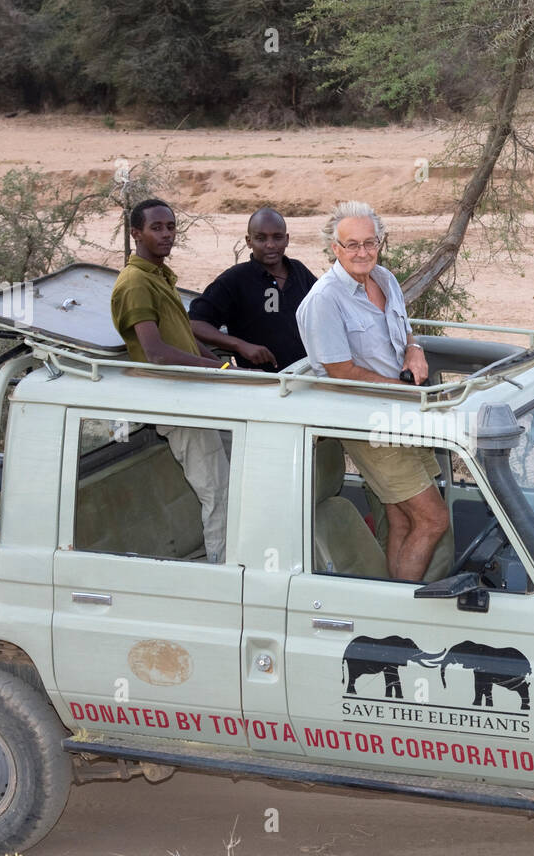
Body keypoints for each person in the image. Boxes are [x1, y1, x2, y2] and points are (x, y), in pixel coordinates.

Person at [296, 200, 450, 582]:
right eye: (352, 245)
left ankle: (392, 603)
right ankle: (404, 607)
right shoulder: (323, 301)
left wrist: (414, 349)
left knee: (400, 518)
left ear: (380, 243)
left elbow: (404, 329)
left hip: (403, 413)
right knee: (434, 520)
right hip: (371, 427)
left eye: (370, 242)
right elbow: (340, 371)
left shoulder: (386, 279)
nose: (362, 252)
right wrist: (403, 392)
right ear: (335, 248)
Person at [110, 197, 229, 563]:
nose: (166, 235)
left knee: (234, 486)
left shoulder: (158, 275)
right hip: (179, 405)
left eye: (171, 227)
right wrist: (215, 372)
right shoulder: (135, 284)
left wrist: (229, 373)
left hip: (197, 396)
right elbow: (157, 353)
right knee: (219, 495)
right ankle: (225, 577)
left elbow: (186, 339)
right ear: (136, 233)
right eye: (156, 228)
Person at [188, 207, 317, 371]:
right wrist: (240, 345)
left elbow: (324, 309)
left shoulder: (299, 271)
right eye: (261, 238)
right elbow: (194, 323)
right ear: (249, 241)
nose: (270, 245)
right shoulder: (234, 279)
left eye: (277, 237)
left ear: (287, 239)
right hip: (262, 382)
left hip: (308, 373)